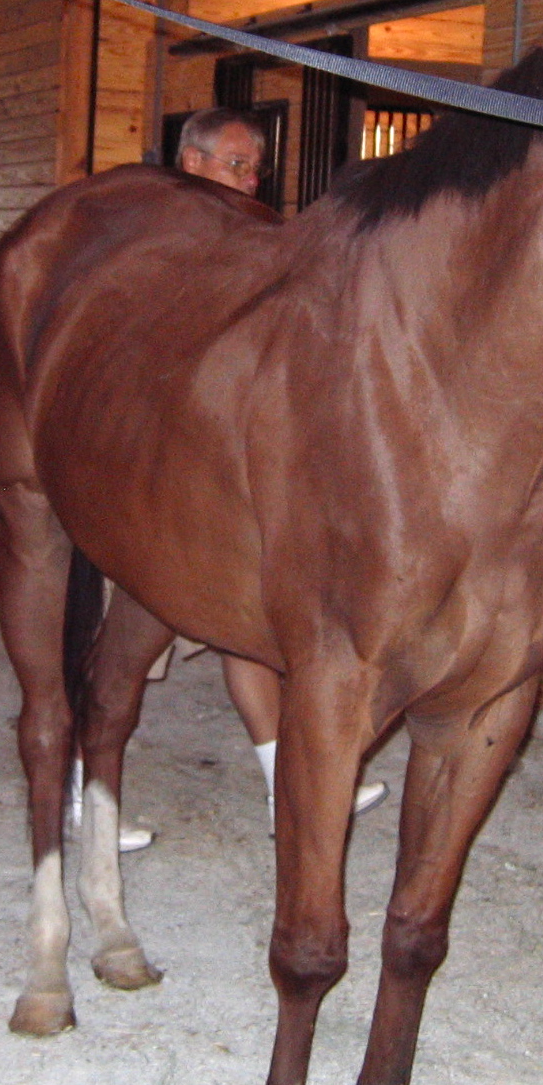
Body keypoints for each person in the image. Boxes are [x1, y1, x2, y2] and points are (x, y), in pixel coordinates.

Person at [175, 108, 389, 832]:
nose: (248, 178)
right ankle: (82, 784)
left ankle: (282, 780)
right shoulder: (163, 235)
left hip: (237, 458)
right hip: (159, 460)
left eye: (254, 167)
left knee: (251, 623)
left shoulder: (261, 237)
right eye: (234, 164)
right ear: (191, 161)